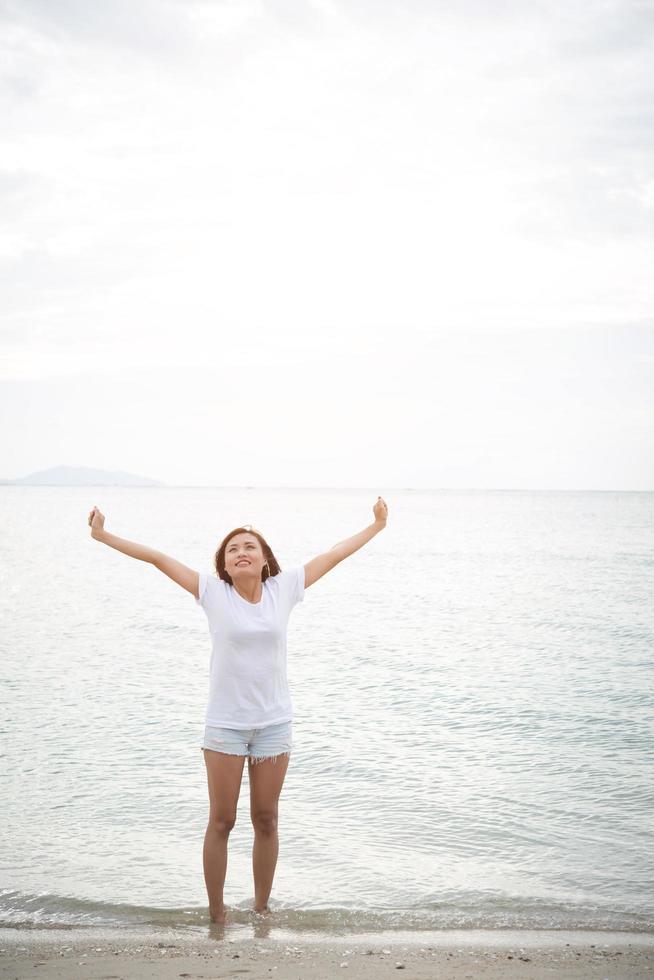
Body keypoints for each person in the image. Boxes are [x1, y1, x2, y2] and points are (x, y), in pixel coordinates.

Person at [87, 495, 389, 924]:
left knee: (266, 819)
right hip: (226, 726)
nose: (241, 552)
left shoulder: (283, 590)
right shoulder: (213, 593)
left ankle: (262, 910)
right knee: (222, 820)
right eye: (233, 549)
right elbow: (156, 558)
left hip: (273, 725)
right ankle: (217, 914)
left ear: (265, 560)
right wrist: (102, 536)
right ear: (224, 566)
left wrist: (376, 525)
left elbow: (335, 554)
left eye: (249, 546)